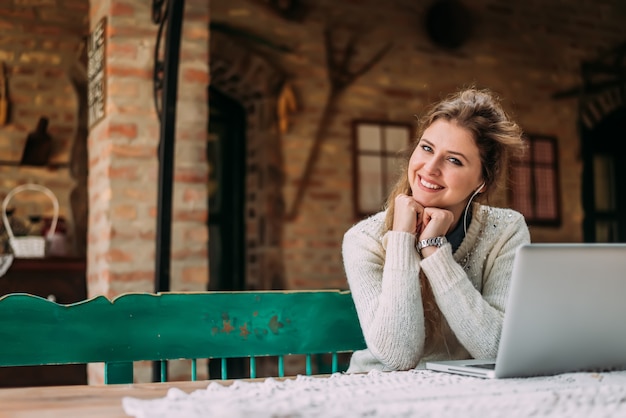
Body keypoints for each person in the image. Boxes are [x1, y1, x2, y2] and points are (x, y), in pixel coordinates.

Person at [342, 87, 531, 373]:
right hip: (378, 391)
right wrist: (402, 239)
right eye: (427, 148)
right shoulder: (364, 240)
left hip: (470, 394)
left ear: (482, 182)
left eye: (454, 160)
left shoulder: (505, 231)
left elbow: (498, 349)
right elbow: (398, 355)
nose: (430, 168)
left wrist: (434, 250)